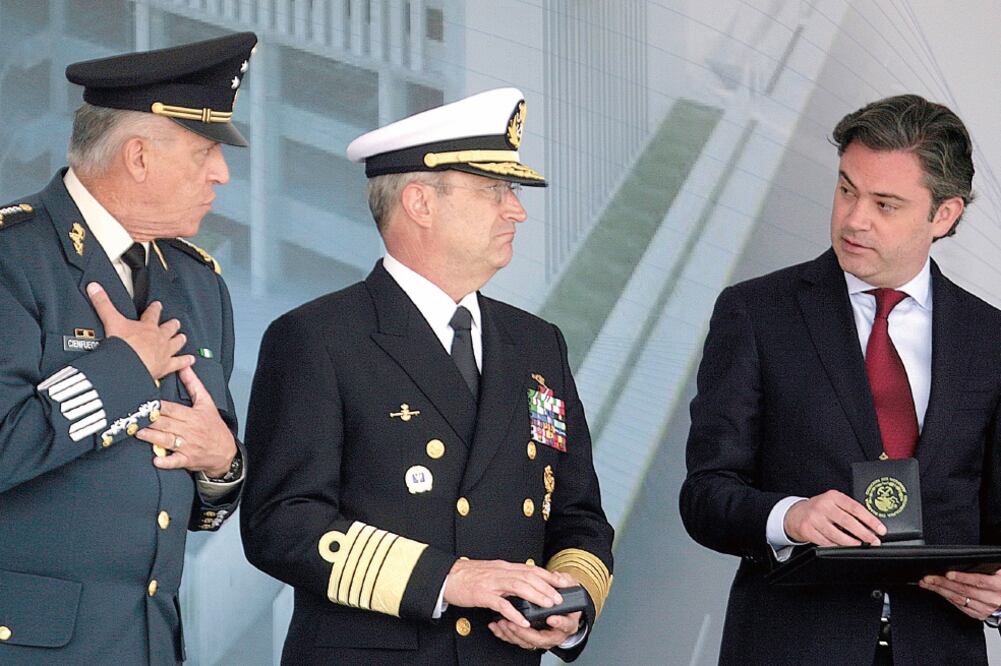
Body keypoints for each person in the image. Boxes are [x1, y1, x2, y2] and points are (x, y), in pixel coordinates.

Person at [241, 88, 614, 665]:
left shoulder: (538, 343)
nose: (516, 211)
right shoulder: (318, 337)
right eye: (494, 191)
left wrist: (571, 603)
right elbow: (281, 522)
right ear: (419, 202)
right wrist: (449, 578)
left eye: (512, 192)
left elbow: (578, 512)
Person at [679, 93, 1001, 665]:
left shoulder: (989, 338)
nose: (854, 219)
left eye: (885, 204)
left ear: (944, 215)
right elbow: (705, 494)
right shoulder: (756, 313)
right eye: (847, 189)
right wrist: (790, 517)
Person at [0, 32, 256, 664]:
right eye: (204, 152)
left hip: (148, 643)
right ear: (138, 156)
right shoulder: (13, 258)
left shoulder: (198, 283)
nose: (221, 173)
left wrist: (223, 464)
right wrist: (123, 370)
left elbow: (197, 506)